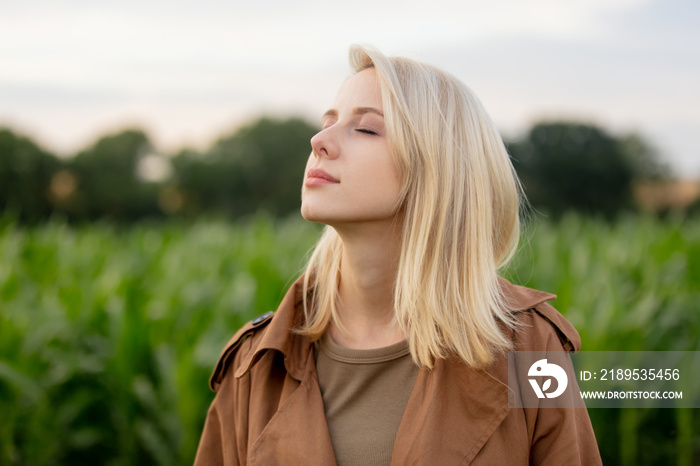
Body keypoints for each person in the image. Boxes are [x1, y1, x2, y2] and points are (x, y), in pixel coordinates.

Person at [194, 45, 602, 465]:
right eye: (328, 123)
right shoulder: (255, 364)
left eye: (366, 129)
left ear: (439, 168)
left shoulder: (529, 348)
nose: (319, 141)